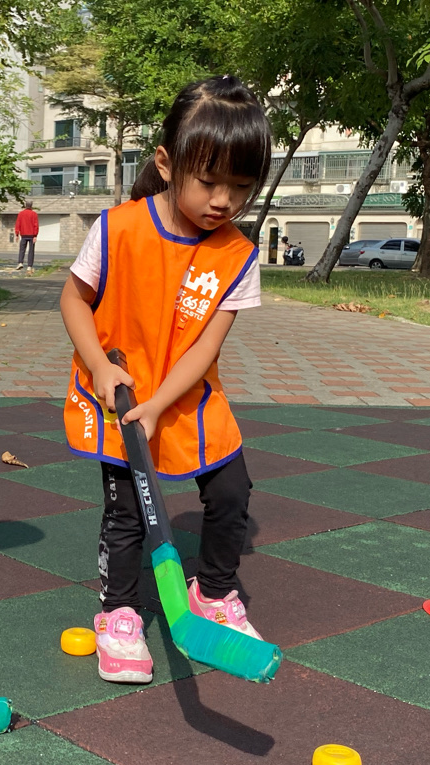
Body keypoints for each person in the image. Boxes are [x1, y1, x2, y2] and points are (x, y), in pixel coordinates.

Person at [59, 75, 271, 684]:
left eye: (241, 187)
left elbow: (207, 347)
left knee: (231, 493)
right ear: (166, 163)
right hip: (120, 398)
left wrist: (160, 405)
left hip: (188, 398)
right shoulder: (118, 228)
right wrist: (101, 366)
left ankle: (215, 593)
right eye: (209, 182)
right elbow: (73, 300)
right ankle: (119, 612)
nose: (223, 201)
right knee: (128, 511)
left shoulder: (237, 254)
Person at [15, 200, 39, 274]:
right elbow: (36, 225)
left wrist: (17, 234)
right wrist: (35, 235)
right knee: (31, 251)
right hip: (31, 235)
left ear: (25, 205)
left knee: (22, 249)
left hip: (23, 235)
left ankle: (20, 262)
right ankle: (29, 266)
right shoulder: (34, 214)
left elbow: (18, 224)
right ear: (31, 206)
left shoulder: (21, 214)